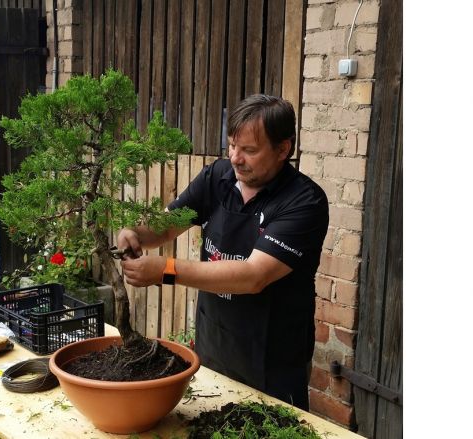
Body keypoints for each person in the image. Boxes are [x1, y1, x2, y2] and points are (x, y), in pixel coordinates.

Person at [117, 94, 329, 410]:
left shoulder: (304, 202)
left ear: (283, 149)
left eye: (249, 150)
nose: (235, 157)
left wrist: (166, 270)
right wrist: (135, 231)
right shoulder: (218, 178)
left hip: (272, 361)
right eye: (231, 145)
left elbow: (253, 275)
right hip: (214, 343)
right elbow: (169, 223)